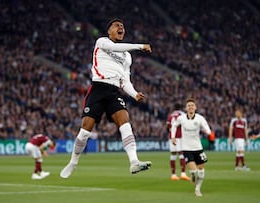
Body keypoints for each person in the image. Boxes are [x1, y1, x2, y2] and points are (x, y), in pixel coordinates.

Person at [60, 18, 152, 179]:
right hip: (98, 88)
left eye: (122, 26)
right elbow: (114, 47)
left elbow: (125, 81)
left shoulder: (127, 57)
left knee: (125, 121)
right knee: (85, 130)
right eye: (117, 26)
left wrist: (134, 93)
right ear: (109, 31)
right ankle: (73, 162)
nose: (120, 27)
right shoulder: (102, 42)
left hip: (114, 92)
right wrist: (140, 46)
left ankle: (134, 161)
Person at [171, 98, 211, 197]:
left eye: (192, 105)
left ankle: (198, 188)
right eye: (189, 105)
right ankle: (193, 175)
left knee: (201, 170)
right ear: (186, 108)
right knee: (194, 170)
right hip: (187, 148)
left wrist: (207, 132)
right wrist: (173, 137)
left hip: (198, 147)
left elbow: (207, 128)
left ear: (195, 107)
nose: (190, 107)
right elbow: (174, 125)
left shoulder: (200, 118)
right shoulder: (181, 118)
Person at [166, 103, 190, 181]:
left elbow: (167, 126)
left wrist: (170, 132)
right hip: (180, 136)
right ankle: (183, 173)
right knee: (181, 154)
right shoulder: (183, 115)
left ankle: (173, 175)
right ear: (181, 108)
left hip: (171, 136)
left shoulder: (170, 115)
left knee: (173, 154)